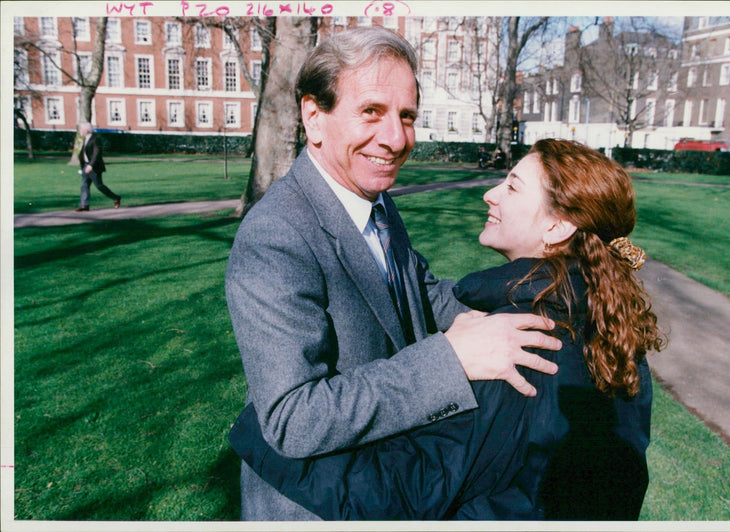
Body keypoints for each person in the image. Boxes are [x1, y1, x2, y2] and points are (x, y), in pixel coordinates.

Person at [229, 138, 665, 520]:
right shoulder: (611, 325)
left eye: (512, 186)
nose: (490, 194)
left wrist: (260, 429)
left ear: (558, 226)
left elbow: (395, 492)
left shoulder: (514, 347)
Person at [225, 27, 561, 521]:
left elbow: (417, 294)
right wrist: (450, 359)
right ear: (313, 117)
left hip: (384, 488)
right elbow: (293, 419)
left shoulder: (372, 198)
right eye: (372, 112)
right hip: (316, 508)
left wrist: (517, 314)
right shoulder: (275, 237)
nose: (396, 139)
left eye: (406, 117)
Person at [75, 122, 121, 211]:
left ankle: (116, 198)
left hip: (94, 167)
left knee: (99, 186)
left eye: (81, 129)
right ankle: (84, 205)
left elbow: (97, 153)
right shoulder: (85, 139)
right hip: (85, 165)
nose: (80, 131)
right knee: (84, 185)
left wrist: (91, 165)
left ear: (86, 130)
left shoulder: (95, 139)